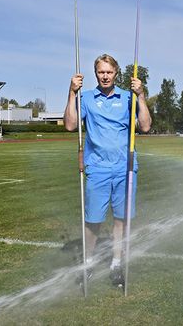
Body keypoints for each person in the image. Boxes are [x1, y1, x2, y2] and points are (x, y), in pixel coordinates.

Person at [64, 53, 151, 286]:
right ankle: (88, 263)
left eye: (109, 72)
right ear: (96, 74)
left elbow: (145, 126)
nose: (105, 76)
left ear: (116, 73)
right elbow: (71, 125)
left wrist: (141, 95)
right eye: (101, 72)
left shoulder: (128, 96)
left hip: (125, 168)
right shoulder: (87, 97)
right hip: (98, 168)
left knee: (121, 220)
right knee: (93, 220)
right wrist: (72, 92)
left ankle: (116, 263)